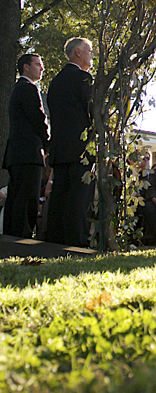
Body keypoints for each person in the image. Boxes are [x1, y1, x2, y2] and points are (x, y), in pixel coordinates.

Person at [45, 37, 95, 248]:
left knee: (59, 195)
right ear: (78, 53)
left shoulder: (55, 82)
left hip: (59, 147)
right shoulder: (83, 79)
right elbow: (93, 112)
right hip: (80, 149)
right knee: (79, 197)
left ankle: (53, 240)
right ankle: (76, 242)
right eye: (89, 50)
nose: (92, 55)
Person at [2, 53, 50, 238]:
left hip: (17, 154)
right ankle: (22, 236)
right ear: (26, 67)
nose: (42, 68)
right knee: (27, 197)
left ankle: (11, 235)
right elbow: (38, 118)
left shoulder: (17, 89)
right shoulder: (28, 89)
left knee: (15, 197)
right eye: (38, 64)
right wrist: (48, 143)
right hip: (28, 153)